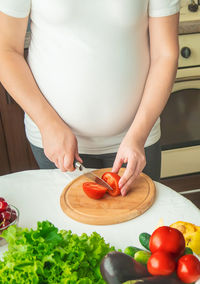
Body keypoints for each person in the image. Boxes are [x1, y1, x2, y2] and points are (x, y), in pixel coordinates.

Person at [0, 0, 179, 196]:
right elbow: (6, 51)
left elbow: (165, 54)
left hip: (137, 139)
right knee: (70, 225)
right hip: (56, 140)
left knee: (142, 224)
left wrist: (138, 135)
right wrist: (47, 124)